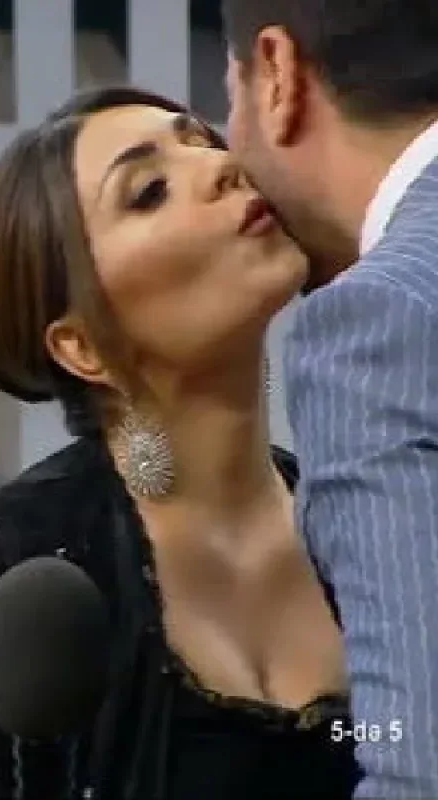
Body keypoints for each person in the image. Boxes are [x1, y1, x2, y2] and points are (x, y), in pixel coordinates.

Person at [0, 86, 360, 800]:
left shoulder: (370, 529)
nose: (222, 167)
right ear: (80, 345)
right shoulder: (1, 564)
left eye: (202, 141)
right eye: (149, 191)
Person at [221, 0, 438, 794]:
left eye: (228, 96)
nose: (227, 167)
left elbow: (421, 763)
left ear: (277, 73)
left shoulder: (378, 318)